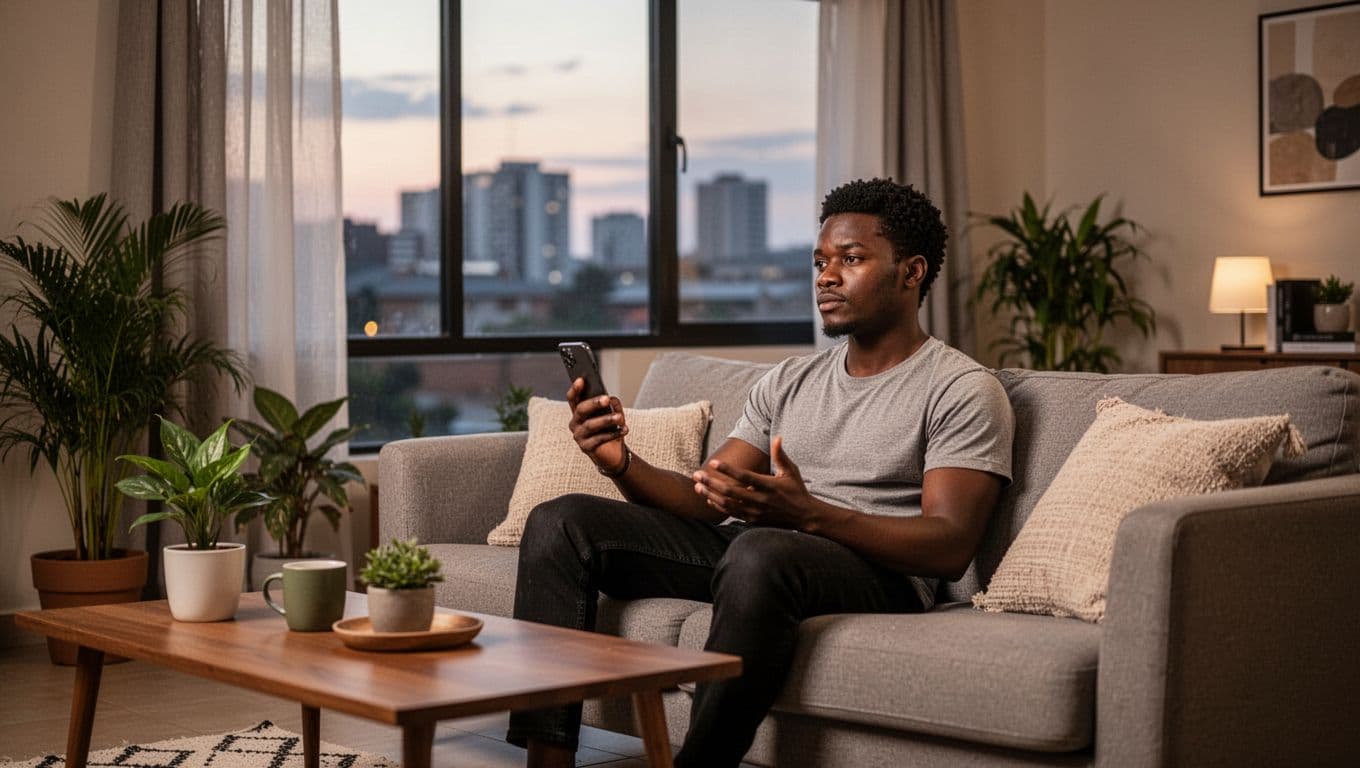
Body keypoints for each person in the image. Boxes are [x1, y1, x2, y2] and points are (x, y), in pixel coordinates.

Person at [509, 178, 1015, 768]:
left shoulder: (961, 389)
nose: (826, 277)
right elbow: (704, 496)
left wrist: (808, 514)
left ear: (912, 272)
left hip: (880, 573)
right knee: (561, 522)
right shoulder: (789, 380)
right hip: (766, 552)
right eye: (820, 262)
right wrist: (619, 461)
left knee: (761, 550)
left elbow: (948, 546)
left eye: (851, 260)